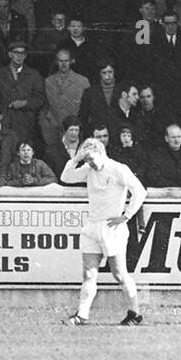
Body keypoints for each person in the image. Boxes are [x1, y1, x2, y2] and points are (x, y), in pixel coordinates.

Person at [59, 137, 147, 327]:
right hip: (92, 226)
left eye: (91, 159)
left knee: (119, 273)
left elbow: (139, 191)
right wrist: (76, 159)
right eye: (87, 160)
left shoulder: (117, 168)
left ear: (101, 153)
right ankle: (82, 315)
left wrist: (127, 215)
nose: (90, 163)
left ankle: (135, 313)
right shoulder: (88, 169)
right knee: (89, 274)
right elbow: (65, 178)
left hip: (112, 228)